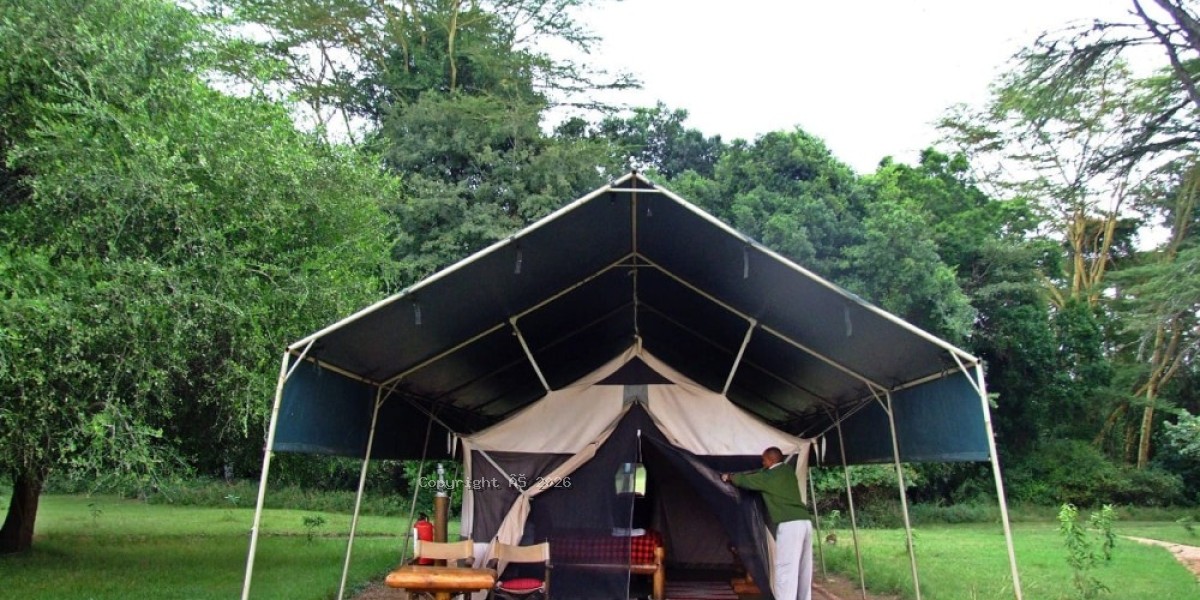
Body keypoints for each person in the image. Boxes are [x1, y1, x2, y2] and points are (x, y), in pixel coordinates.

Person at [722, 447, 812, 600]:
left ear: (771, 460)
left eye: (764, 460)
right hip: (805, 522)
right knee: (804, 569)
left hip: (789, 524)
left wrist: (729, 477)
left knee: (786, 568)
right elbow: (761, 474)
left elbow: (748, 481)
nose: (762, 463)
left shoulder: (769, 477)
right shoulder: (787, 471)